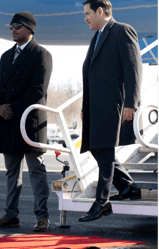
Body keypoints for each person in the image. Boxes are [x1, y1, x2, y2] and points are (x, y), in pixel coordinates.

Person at [0, 11, 53, 231]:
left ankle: (42, 217)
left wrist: (12, 108)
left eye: (17, 26)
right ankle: (11, 215)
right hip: (8, 121)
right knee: (12, 172)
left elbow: (38, 90)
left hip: (30, 121)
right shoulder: (6, 56)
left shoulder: (41, 54)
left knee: (36, 170)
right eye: (11, 27)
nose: (13, 30)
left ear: (29, 30)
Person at [78, 0, 142, 222]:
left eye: (87, 13)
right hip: (95, 105)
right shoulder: (96, 37)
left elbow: (133, 69)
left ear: (101, 11)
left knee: (104, 150)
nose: (85, 18)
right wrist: (84, 107)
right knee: (96, 148)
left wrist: (131, 103)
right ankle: (129, 187)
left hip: (113, 104)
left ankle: (101, 202)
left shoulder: (122, 31)